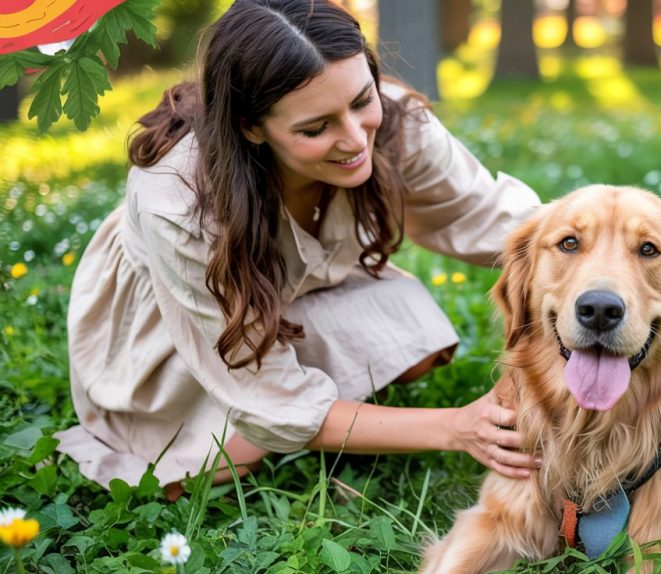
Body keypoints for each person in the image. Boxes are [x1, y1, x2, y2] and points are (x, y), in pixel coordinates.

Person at [53, 0, 542, 493]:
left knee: (417, 339)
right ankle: (275, 429)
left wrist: (600, 254)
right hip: (174, 333)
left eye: (361, 100)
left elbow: (492, 216)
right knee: (223, 460)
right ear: (251, 127)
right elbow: (265, 394)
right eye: (315, 128)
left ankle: (326, 417)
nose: (355, 140)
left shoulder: (391, 119)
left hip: (290, 297)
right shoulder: (177, 203)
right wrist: (456, 428)